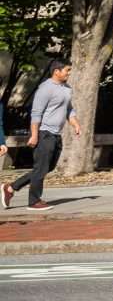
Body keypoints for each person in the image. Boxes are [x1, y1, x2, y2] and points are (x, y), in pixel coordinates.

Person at [6, 56, 73, 210]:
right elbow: (36, 113)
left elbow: (69, 108)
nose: (69, 73)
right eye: (67, 70)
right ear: (57, 72)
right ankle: (34, 201)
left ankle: (10, 188)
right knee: (41, 168)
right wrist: (34, 135)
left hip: (56, 134)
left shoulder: (66, 89)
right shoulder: (45, 88)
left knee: (47, 168)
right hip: (44, 133)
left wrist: (75, 123)